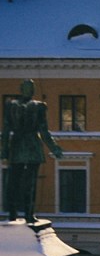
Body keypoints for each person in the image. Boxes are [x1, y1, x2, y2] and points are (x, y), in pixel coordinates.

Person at [1, 80, 64, 223]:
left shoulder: (30, 106)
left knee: (21, 183)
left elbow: (42, 130)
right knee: (20, 183)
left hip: (24, 146)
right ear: (24, 89)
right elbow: (7, 129)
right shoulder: (22, 106)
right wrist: (4, 150)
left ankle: (21, 214)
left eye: (30, 88)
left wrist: (54, 147)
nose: (29, 90)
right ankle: (20, 214)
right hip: (25, 146)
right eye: (28, 88)